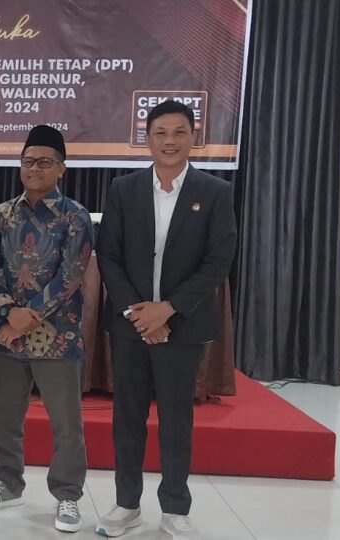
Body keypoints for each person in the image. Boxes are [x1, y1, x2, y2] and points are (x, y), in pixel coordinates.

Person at [94, 100, 237, 540]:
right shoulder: (124, 189)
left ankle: (175, 508)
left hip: (183, 324)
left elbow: (218, 260)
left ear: (194, 138)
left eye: (179, 132)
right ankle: (126, 504)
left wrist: (168, 308)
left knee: (177, 419)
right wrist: (139, 314)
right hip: (131, 325)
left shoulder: (214, 192)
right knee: (128, 418)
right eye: (160, 132)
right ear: (148, 138)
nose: (169, 141)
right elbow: (109, 254)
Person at [0, 125, 95, 533]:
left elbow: (71, 277)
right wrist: (10, 313)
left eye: (45, 162)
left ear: (61, 168)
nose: (35, 169)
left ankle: (67, 496)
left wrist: (27, 317)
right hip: (7, 335)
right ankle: (8, 484)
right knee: (4, 417)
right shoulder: (1, 214)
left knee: (66, 424)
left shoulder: (75, 216)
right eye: (28, 161)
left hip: (58, 337)